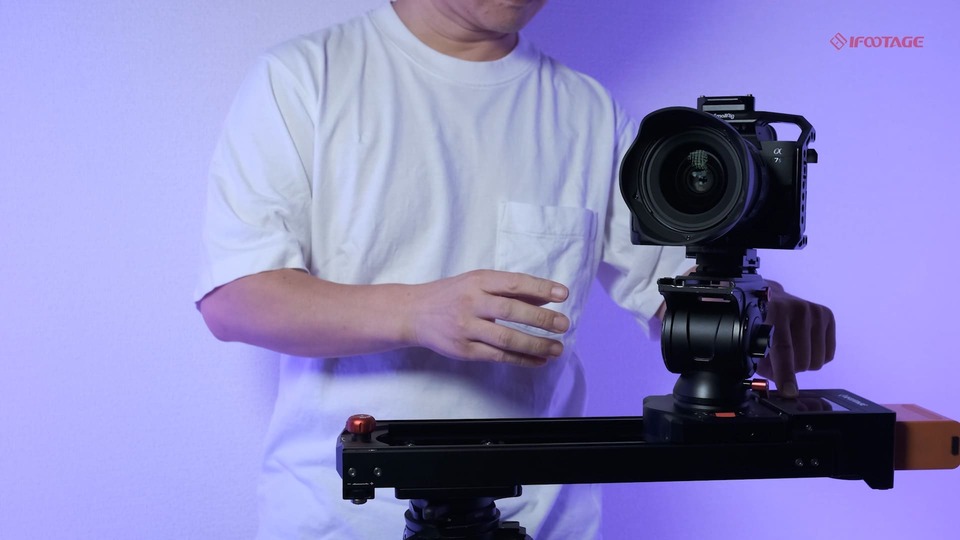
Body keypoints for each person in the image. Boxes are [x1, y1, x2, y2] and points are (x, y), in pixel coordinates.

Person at [194, 1, 835, 538]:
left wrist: (758, 302)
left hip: (539, 518)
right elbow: (236, 297)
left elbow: (676, 290)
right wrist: (417, 312)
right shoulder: (305, 77)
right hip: (342, 516)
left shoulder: (588, 111)